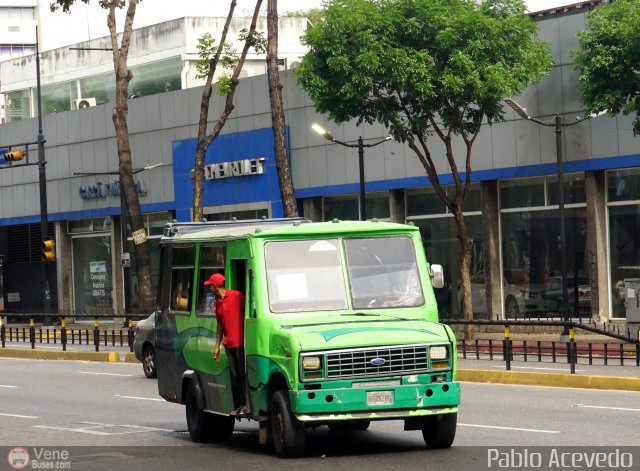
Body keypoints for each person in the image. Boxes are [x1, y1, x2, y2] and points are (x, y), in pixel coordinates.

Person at [204, 273, 248, 417]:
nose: (209, 288)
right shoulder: (218, 303)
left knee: (242, 374)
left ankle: (247, 404)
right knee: (235, 375)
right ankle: (241, 404)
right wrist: (217, 346)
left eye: (210, 285)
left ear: (216, 286)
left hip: (240, 342)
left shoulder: (236, 296)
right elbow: (220, 326)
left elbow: (249, 311)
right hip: (228, 343)